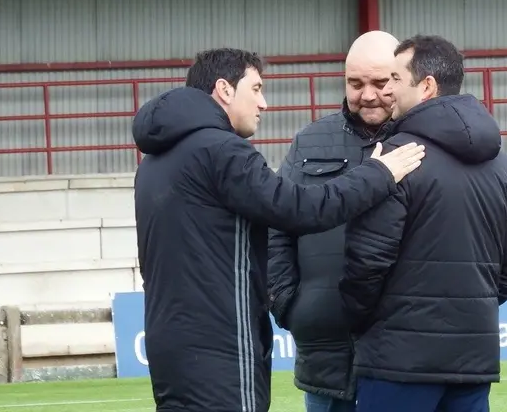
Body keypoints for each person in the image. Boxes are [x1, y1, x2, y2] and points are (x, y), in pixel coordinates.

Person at [132, 47, 425, 412]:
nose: (264, 103)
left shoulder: (155, 160)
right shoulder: (221, 151)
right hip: (219, 344)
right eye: (255, 89)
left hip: (171, 341)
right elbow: (297, 209)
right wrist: (379, 174)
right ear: (224, 90)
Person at [338, 35, 507, 412]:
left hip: (398, 364)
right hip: (472, 363)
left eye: (394, 79)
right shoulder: (503, 165)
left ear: (426, 86)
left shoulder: (395, 159)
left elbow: (366, 264)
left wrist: (361, 321)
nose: (387, 90)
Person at [267, 30, 400, 412]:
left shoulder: (422, 137)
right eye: (355, 83)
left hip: (402, 355)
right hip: (324, 352)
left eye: (380, 83)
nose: (367, 95)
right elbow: (276, 224)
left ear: (401, 79)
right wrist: (288, 303)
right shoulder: (309, 141)